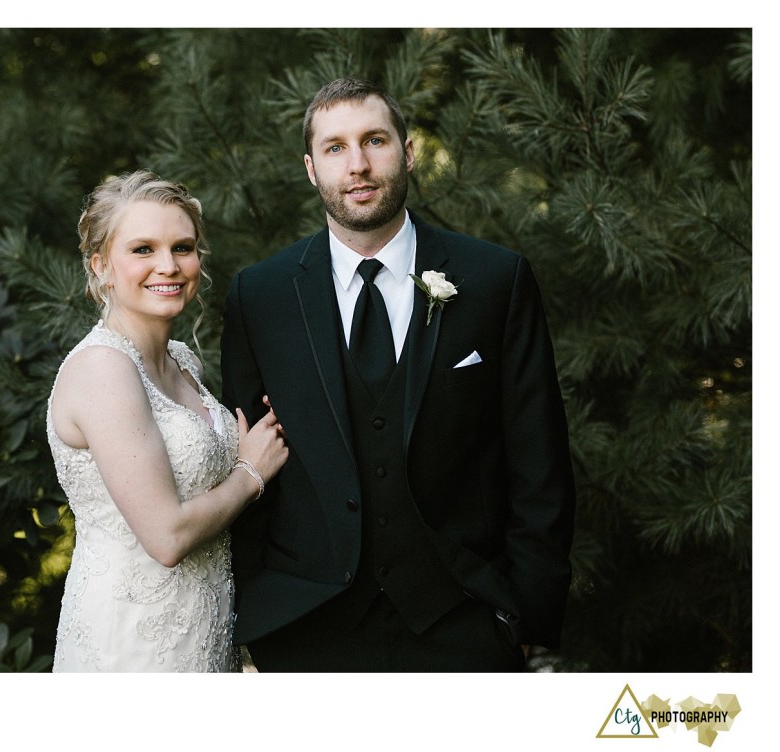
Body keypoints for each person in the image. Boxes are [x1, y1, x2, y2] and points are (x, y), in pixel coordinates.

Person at [221, 78, 575, 671]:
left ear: (407, 152)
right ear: (311, 169)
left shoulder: (495, 279)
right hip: (307, 630)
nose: (357, 164)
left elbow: (539, 458)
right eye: (335, 148)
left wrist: (526, 617)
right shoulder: (259, 295)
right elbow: (245, 457)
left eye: (374, 141)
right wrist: (259, 616)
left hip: (464, 621)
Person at [47, 170, 288, 672]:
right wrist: (250, 474)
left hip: (205, 631)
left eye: (183, 247)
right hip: (133, 644)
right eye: (143, 249)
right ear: (100, 266)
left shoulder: (182, 362)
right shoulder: (103, 369)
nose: (169, 265)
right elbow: (167, 537)